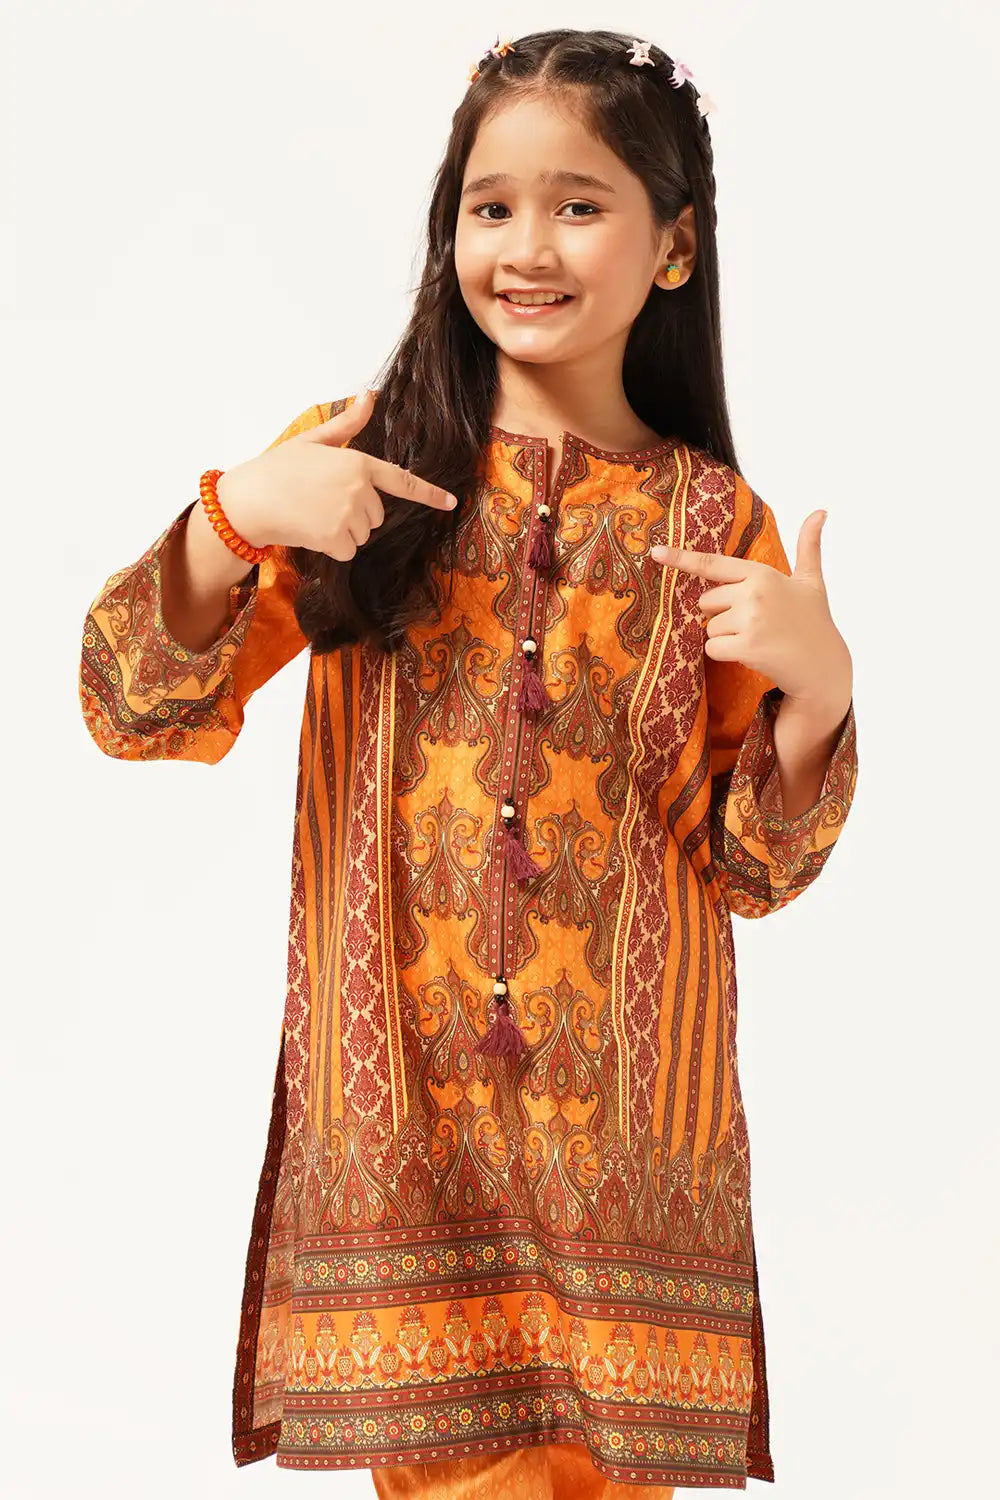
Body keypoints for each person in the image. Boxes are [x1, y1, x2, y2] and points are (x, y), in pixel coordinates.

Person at [77, 27, 858, 1498]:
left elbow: (752, 867)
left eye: (579, 204)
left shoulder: (717, 524)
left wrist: (818, 697)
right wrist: (235, 518)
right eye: (489, 205)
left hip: (627, 1166)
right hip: (410, 1148)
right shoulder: (360, 467)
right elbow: (130, 702)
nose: (526, 246)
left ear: (674, 246)